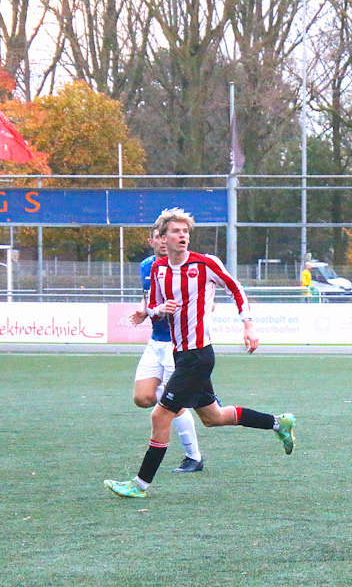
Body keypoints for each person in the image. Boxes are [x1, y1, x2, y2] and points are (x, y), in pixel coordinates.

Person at [104, 207, 296, 498]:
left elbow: (235, 289)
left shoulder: (205, 264)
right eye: (176, 231)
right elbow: (152, 308)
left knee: (160, 416)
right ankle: (278, 422)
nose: (182, 236)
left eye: (185, 231)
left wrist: (248, 325)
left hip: (198, 356)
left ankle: (139, 485)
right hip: (180, 353)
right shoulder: (158, 269)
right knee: (213, 416)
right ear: (162, 238)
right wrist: (160, 309)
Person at [127, 226, 204, 472]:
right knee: (143, 398)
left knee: (175, 404)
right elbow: (149, 296)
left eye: (165, 236)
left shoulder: (187, 265)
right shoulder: (147, 266)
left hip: (178, 343)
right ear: (151, 241)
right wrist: (145, 310)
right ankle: (181, 394)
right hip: (156, 341)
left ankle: (194, 457)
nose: (163, 241)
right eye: (159, 237)